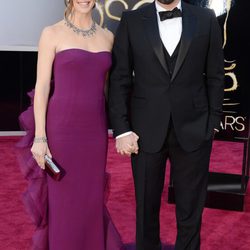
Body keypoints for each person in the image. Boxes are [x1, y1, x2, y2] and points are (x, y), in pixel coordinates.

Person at [109, 0, 224, 249]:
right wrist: (122, 128)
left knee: (191, 209)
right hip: (144, 130)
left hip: (194, 128)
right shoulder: (132, 21)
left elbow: (216, 74)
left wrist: (212, 121)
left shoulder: (206, 19)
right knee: (145, 207)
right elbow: (119, 78)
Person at [16, 0, 124, 249]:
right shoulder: (51, 33)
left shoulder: (108, 37)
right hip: (62, 132)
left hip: (95, 133)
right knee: (64, 202)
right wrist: (40, 138)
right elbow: (42, 88)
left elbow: (107, 88)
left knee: (90, 200)